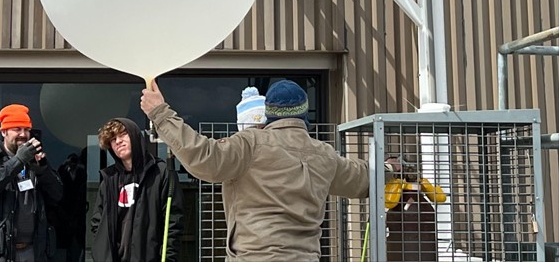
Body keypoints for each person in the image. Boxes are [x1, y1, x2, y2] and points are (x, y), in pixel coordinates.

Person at [140, 79, 370, 261]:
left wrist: (160, 113)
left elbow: (203, 156)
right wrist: (390, 167)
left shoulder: (251, 144)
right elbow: (362, 180)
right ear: (303, 113)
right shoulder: (324, 155)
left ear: (268, 112)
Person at [0, 104, 63, 262]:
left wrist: (42, 170)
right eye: (17, 129)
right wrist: (18, 160)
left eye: (26, 130)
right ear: (4, 132)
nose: (23, 134)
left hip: (31, 250)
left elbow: (57, 195)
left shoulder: (34, 161)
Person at [90, 117, 184, 262]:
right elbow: (97, 223)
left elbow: (173, 222)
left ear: (134, 136)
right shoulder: (109, 179)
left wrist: (168, 258)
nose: (118, 141)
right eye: (113, 139)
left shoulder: (160, 172)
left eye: (122, 135)